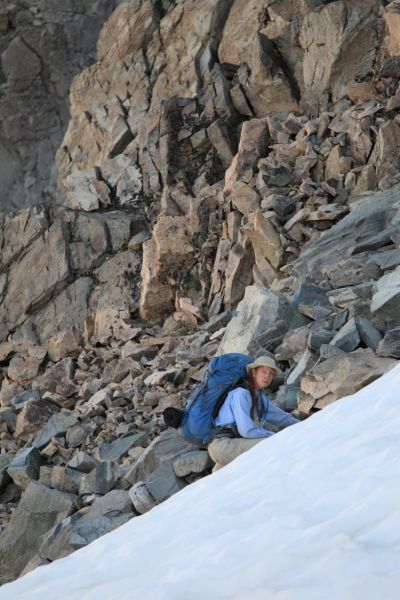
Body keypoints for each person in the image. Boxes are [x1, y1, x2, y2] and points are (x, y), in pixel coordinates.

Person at [208, 355, 299, 471]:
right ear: (254, 373)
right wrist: (273, 436)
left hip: (232, 443)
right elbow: (246, 430)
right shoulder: (240, 394)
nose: (267, 377)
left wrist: (302, 424)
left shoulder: (257, 396)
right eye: (264, 372)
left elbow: (280, 417)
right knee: (269, 443)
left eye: (271, 374)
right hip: (223, 445)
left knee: (225, 480)